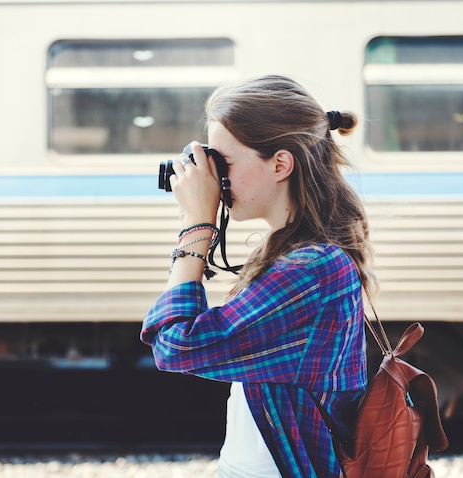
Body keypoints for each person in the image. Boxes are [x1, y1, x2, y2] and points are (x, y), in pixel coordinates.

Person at [140, 74, 378, 478]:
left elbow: (175, 346)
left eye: (224, 162)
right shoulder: (299, 255)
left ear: (280, 164)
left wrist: (197, 224)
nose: (215, 178)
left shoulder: (311, 270)